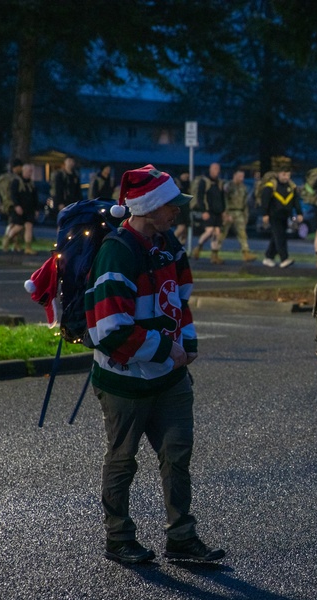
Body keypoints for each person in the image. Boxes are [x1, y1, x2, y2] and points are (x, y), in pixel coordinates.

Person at [86, 164, 224, 565]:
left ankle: (181, 538)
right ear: (147, 208)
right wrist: (167, 349)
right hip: (123, 381)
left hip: (170, 378)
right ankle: (119, 537)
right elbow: (110, 330)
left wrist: (188, 342)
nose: (178, 210)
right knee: (122, 460)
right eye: (171, 204)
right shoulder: (118, 251)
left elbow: (178, 300)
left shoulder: (168, 244)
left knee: (177, 456)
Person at [258, 156, 303, 268]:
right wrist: (265, 214)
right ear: (278, 174)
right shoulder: (271, 186)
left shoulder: (292, 186)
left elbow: (296, 201)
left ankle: (269, 257)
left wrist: (299, 213)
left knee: (276, 237)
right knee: (280, 237)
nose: (286, 177)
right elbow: (265, 201)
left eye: (288, 175)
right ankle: (284, 259)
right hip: (274, 215)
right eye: (284, 174)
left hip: (285, 215)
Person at [191, 162, 225, 264]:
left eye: (218, 169)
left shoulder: (219, 183)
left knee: (217, 233)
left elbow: (222, 198)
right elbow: (200, 197)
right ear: (210, 170)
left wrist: (224, 211)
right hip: (208, 210)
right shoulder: (204, 182)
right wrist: (203, 211)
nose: (217, 171)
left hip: (217, 211)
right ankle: (198, 248)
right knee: (209, 231)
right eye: (215, 169)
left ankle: (214, 255)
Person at [220, 169, 258, 262]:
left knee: (242, 234)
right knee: (222, 233)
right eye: (240, 176)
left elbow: (245, 203)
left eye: (243, 176)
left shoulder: (243, 187)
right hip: (229, 212)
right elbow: (223, 199)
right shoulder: (228, 186)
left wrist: (246, 215)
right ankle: (215, 252)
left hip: (239, 212)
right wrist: (224, 213)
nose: (242, 178)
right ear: (235, 175)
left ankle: (246, 253)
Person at [9, 163, 39, 255]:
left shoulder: (31, 183)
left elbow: (35, 197)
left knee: (29, 226)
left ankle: (28, 247)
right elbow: (13, 195)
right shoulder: (17, 181)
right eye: (29, 171)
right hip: (20, 208)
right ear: (24, 171)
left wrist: (36, 209)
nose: (30, 173)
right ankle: (8, 239)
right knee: (18, 226)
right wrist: (17, 205)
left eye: (31, 171)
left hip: (29, 209)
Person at [173, 171, 192, 245]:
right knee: (181, 227)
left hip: (186, 208)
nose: (187, 176)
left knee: (185, 230)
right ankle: (171, 242)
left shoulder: (188, 184)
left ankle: (181, 246)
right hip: (179, 208)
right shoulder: (176, 183)